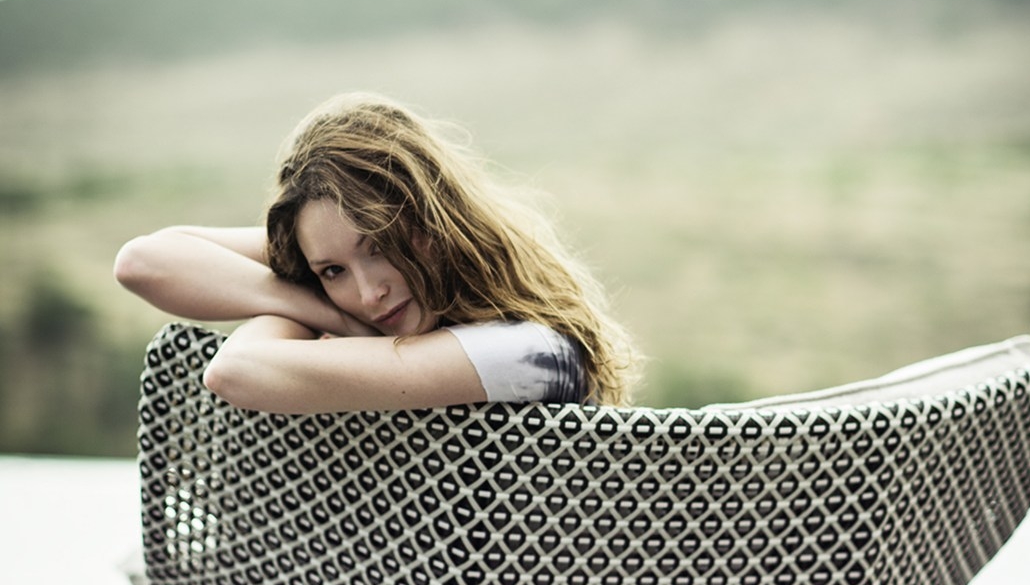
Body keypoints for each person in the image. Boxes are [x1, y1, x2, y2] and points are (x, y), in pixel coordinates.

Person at [115, 93, 638, 413]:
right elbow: (142, 262)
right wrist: (318, 306)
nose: (368, 294)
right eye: (333, 270)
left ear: (435, 220)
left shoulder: (527, 350)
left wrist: (323, 308)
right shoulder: (355, 309)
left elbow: (235, 370)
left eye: (381, 247)